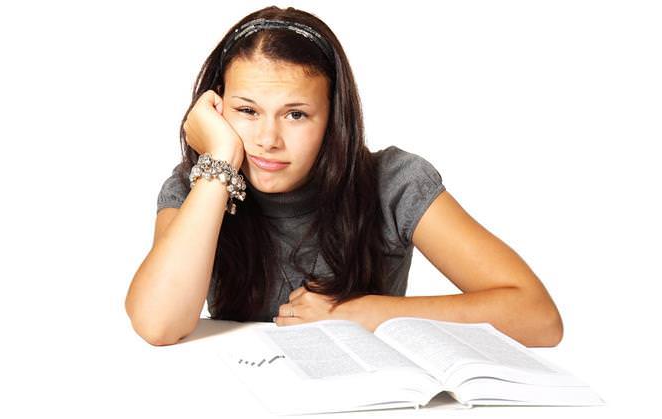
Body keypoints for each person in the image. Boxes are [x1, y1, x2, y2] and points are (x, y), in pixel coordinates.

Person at [125, 5, 563, 348]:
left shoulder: (395, 181)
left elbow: (538, 316)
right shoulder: (199, 187)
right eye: (247, 111)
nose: (268, 138)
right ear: (216, 108)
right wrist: (220, 160)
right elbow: (157, 324)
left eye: (295, 114)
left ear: (333, 118)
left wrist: (364, 313)